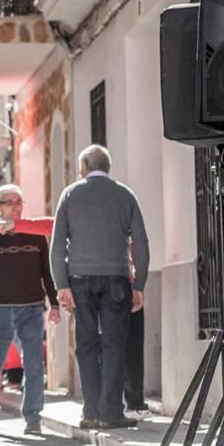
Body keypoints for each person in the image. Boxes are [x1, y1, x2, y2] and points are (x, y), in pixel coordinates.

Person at [51, 145, 150, 430]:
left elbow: (57, 246)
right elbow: (141, 243)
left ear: (84, 165)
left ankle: (91, 412)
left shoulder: (70, 194)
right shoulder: (124, 194)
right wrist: (139, 283)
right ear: (107, 166)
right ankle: (110, 413)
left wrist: (62, 285)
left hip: (80, 279)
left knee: (86, 345)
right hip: (116, 279)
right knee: (114, 345)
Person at [0, 184, 60, 435]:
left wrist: (54, 304)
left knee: (33, 366)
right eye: (10, 202)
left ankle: (33, 419)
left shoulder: (35, 233)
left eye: (19, 202)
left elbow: (47, 272)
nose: (16, 207)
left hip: (31, 310)